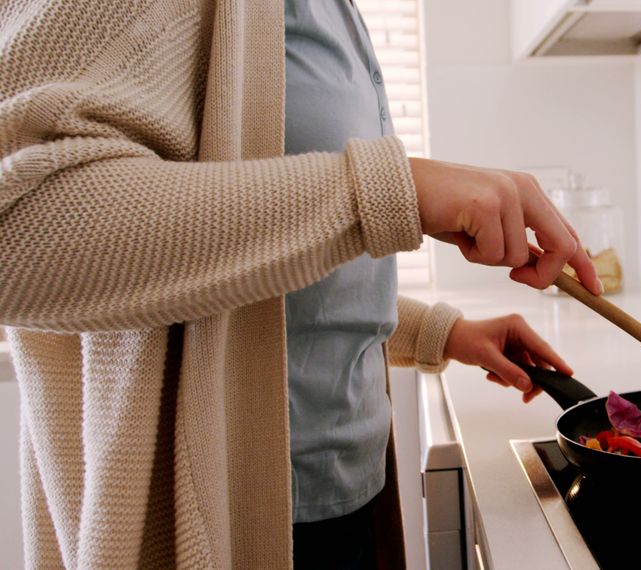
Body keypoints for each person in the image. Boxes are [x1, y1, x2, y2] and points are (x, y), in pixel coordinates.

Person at [0, 1, 601, 569]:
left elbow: (259, 266)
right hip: (237, 521)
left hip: (346, 493)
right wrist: (394, 192)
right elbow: (18, 227)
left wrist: (440, 332)